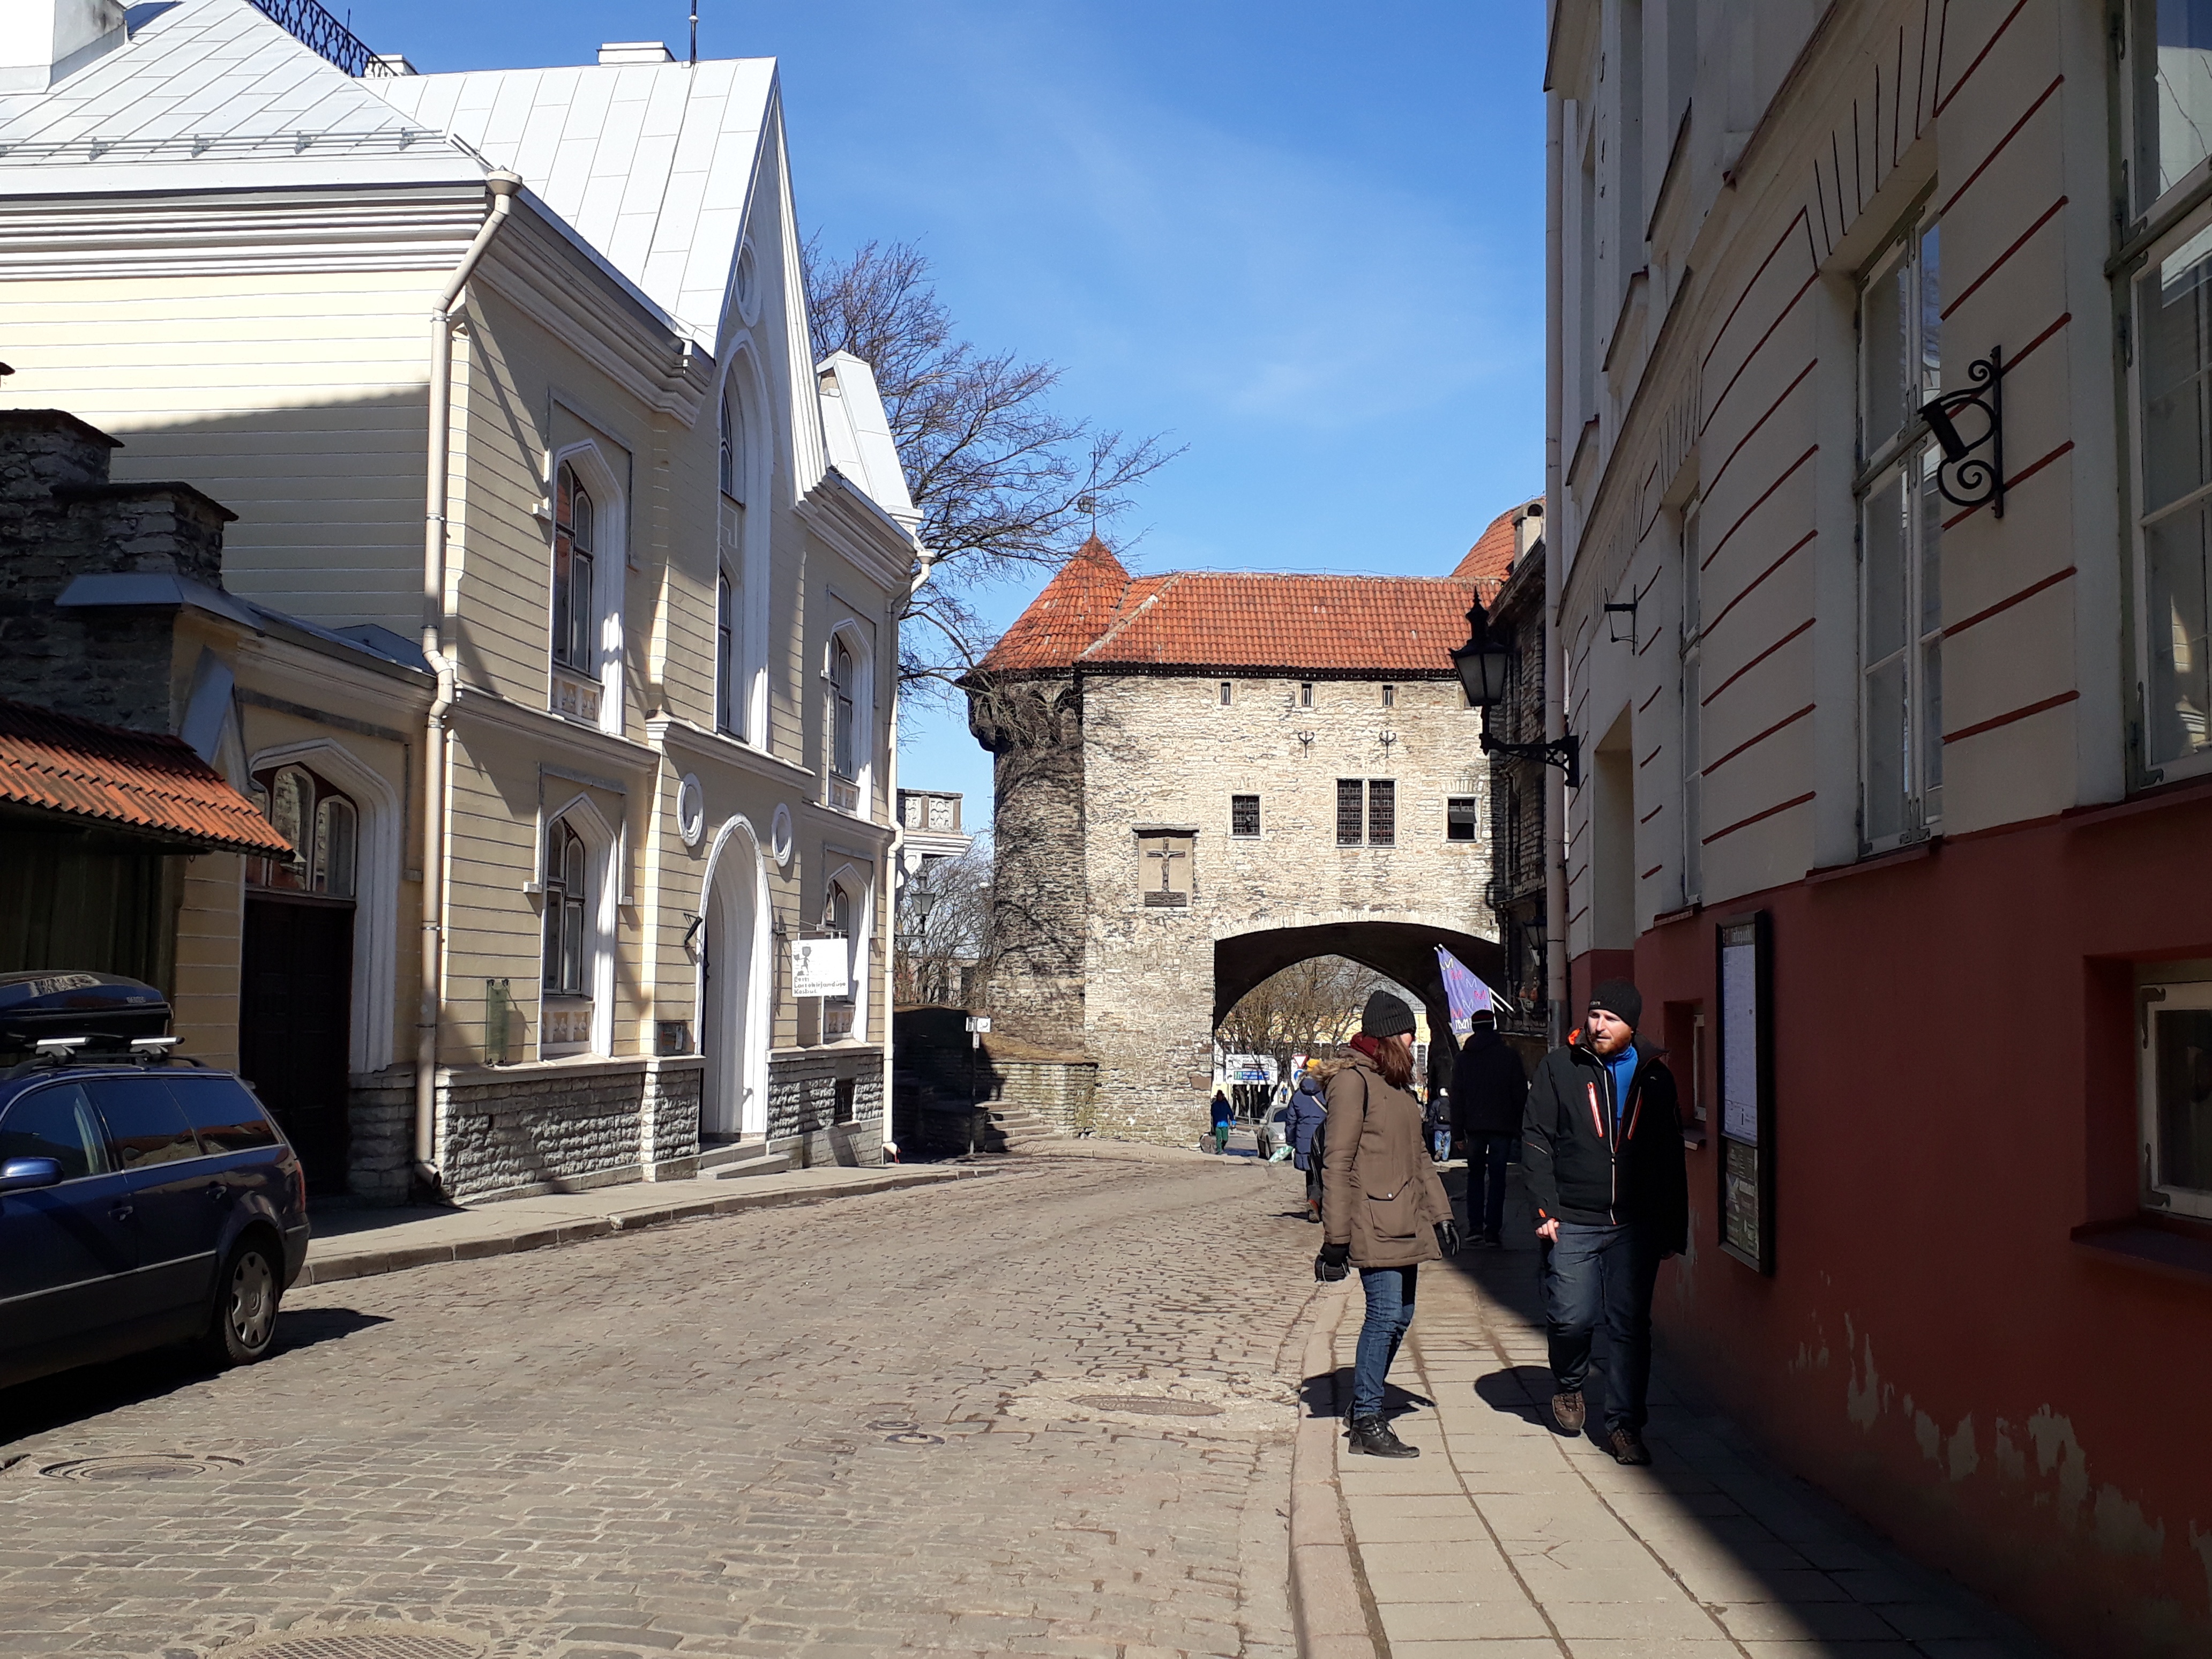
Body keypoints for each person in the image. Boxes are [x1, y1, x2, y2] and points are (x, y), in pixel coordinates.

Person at [1522, 978, 1688, 1466]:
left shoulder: (1656, 1077)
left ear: (1631, 1026)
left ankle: (1624, 1425)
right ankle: (1570, 1384)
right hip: (1572, 1218)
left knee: (1630, 1326)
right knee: (1571, 1316)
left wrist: (1671, 1228)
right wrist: (1544, 1210)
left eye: (1610, 1019)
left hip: (1633, 1225)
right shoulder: (1560, 1067)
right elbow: (1536, 1138)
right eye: (1594, 1015)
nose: (1598, 1026)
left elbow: (1668, 1157)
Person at [1314, 992, 1460, 1458]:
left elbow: (1419, 1156)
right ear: (1384, 1036)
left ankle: (1365, 1409)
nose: (1410, 1038)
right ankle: (1369, 1420)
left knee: (1401, 1316)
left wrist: (1442, 1215)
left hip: (1407, 1219)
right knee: (1383, 1316)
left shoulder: (1396, 1083)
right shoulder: (1354, 1083)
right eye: (1404, 1032)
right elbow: (1336, 1162)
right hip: (1372, 1219)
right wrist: (1336, 1239)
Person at [1449, 1007, 1528, 1247]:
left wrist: (1457, 1132)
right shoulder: (1509, 1056)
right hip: (1502, 1127)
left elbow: (1457, 1097)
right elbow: (1520, 1094)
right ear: (1493, 1025)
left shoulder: (1464, 1059)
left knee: (1474, 1176)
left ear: (1474, 1028)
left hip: (1474, 1127)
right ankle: (1492, 1230)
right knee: (1498, 1178)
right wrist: (1519, 1125)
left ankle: (1475, 1227)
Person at [1277, 1070, 1328, 1220]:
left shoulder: (1298, 1096)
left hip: (1305, 1143)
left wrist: (1291, 1141)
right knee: (1325, 1174)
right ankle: (1322, 1206)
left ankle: (1313, 1203)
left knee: (1311, 1174)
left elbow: (1291, 1121)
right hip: (1324, 1141)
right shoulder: (1327, 1093)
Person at [1209, 1088, 1235, 1154]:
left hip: (1225, 1125)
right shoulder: (1215, 1105)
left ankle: (1222, 1146)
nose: (1220, 1098)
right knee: (1219, 1139)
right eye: (1219, 1096)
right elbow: (1210, 1113)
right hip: (1217, 1125)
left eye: (1221, 1096)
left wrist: (1233, 1122)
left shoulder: (1225, 1104)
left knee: (1225, 1139)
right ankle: (1219, 1150)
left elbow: (1230, 1113)